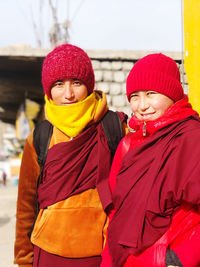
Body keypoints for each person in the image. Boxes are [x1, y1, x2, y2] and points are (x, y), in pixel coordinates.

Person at [14, 44, 128, 267]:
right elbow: (26, 206)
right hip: (48, 252)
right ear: (48, 90)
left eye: (76, 83)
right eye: (59, 84)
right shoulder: (40, 137)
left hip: (101, 253)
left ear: (89, 85)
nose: (68, 94)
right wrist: (24, 260)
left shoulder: (114, 128)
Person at [102, 53, 200, 267]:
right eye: (135, 96)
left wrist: (182, 257)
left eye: (151, 94)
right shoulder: (128, 144)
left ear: (172, 94)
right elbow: (116, 213)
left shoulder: (191, 137)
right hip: (125, 260)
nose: (142, 105)